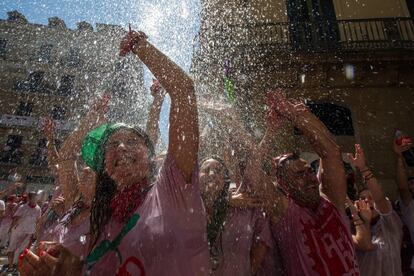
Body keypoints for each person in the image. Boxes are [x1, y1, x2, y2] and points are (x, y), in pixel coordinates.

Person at [19, 28, 209, 276]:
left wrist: (138, 45)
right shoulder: (101, 219)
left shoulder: (172, 187)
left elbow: (183, 91)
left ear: (150, 155)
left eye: (131, 141)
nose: (120, 147)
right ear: (105, 167)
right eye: (111, 145)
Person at [246, 92, 359, 275]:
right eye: (299, 174)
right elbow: (253, 175)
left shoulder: (332, 200)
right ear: (284, 184)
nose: (309, 177)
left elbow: (331, 151)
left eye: (309, 171)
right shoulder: (283, 213)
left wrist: (299, 116)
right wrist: (270, 132)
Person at [200, 156, 272, 275]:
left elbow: (262, 242)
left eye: (218, 171)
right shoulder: (188, 207)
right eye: (206, 170)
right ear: (196, 177)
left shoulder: (242, 207)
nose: (212, 174)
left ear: (225, 180)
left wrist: (248, 270)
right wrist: (226, 200)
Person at [349, 144, 403, 276]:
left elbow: (379, 199)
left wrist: (363, 168)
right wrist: (364, 221)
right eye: (363, 198)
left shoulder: (389, 225)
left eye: (370, 198)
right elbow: (366, 245)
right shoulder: (352, 231)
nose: (367, 201)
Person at [7, 191, 41, 272]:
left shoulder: (38, 208)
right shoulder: (23, 207)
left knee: (22, 250)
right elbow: (16, 218)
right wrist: (10, 229)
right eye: (33, 197)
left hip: (29, 233)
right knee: (12, 248)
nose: (34, 199)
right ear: (29, 198)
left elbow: (38, 221)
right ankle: (10, 266)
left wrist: (36, 232)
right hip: (18, 231)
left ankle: (17, 267)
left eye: (35, 197)